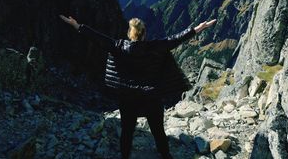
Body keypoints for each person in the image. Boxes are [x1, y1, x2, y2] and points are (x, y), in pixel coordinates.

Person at [60, 15, 216, 159]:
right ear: (143, 33)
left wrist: (77, 25)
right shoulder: (155, 47)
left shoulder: (119, 46)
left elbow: (98, 38)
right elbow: (175, 39)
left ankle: (125, 156)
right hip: (151, 98)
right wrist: (199, 28)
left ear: (130, 33)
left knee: (127, 132)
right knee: (158, 131)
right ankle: (165, 155)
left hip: (128, 99)